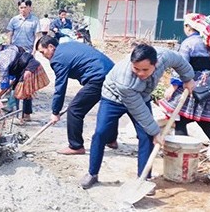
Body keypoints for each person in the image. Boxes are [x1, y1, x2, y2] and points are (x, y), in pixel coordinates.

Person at [80, 44, 195, 190]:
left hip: (142, 96)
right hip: (113, 98)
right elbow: (138, 110)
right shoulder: (125, 80)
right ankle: (92, 174)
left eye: (145, 69)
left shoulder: (164, 56)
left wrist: (188, 78)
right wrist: (156, 131)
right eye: (136, 69)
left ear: (156, 64)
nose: (140, 73)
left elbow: (179, 60)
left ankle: (144, 179)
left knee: (146, 136)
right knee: (101, 133)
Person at [159, 13, 210, 159]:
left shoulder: (188, 43)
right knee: (203, 119)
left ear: (188, 26)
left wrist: (174, 86)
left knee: (181, 119)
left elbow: (181, 66)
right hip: (207, 84)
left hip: (191, 83)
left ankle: (181, 152)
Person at [36, 35, 116, 155]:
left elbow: (60, 87)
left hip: (98, 77)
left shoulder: (57, 59)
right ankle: (111, 139)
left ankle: (76, 146)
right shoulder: (66, 46)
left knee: (74, 110)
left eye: (43, 52)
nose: (43, 56)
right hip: (112, 74)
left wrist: (55, 112)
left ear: (51, 47)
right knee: (110, 105)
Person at [0, 44, 49, 124]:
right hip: (25, 67)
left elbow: (4, 84)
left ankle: (18, 117)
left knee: (19, 93)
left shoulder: (2, 61)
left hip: (28, 68)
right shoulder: (5, 50)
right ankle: (25, 115)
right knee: (24, 92)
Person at [6, 0, 40, 121]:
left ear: (30, 8)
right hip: (15, 54)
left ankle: (26, 114)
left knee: (27, 85)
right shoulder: (14, 20)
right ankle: (13, 112)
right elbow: (9, 34)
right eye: (21, 7)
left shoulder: (35, 20)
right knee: (14, 83)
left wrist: (34, 51)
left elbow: (37, 37)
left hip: (28, 54)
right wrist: (8, 48)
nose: (23, 10)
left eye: (25, 7)